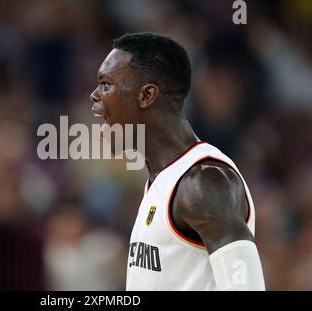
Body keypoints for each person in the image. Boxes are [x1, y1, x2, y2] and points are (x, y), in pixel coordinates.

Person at [90, 32, 265, 291]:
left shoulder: (204, 182)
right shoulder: (164, 178)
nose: (94, 95)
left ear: (147, 95)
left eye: (106, 84)